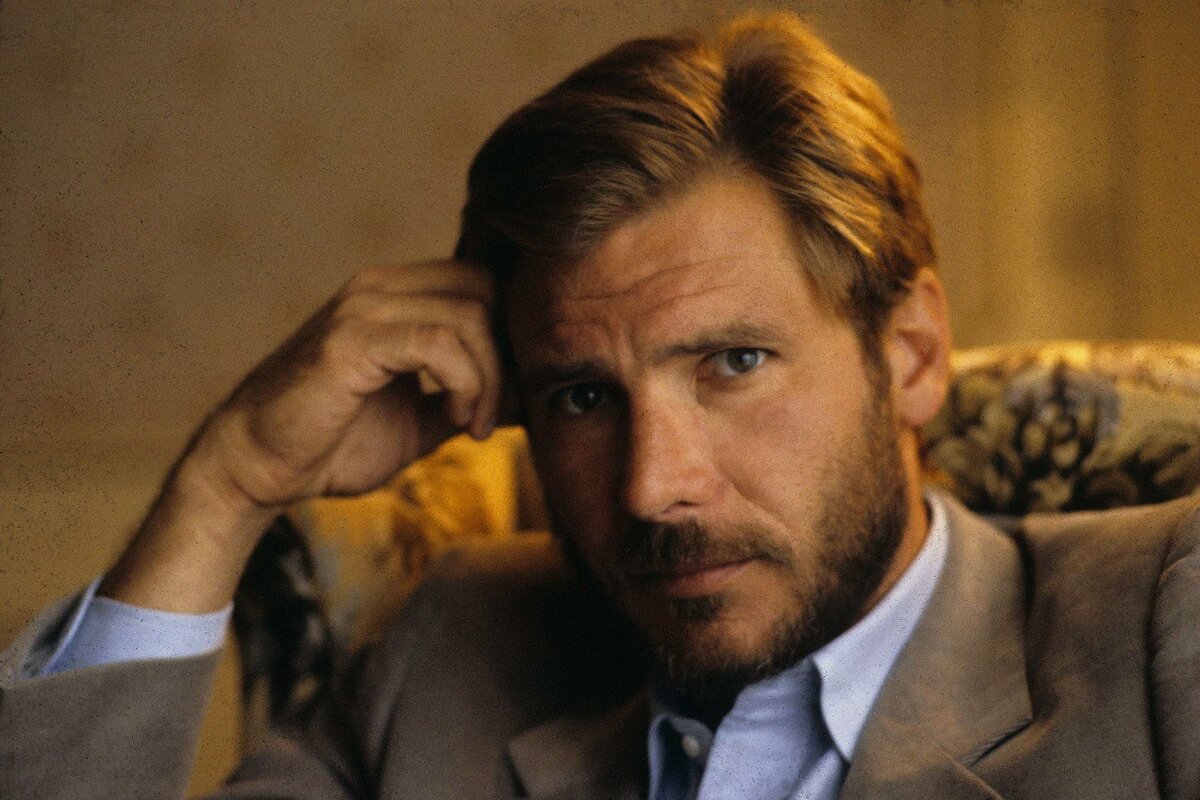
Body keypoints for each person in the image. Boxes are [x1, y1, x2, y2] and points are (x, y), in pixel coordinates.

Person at [2, 11, 1198, 800]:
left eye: (733, 361)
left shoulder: (1161, 625)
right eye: (582, 394)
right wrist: (228, 481)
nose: (652, 486)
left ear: (914, 351)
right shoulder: (452, 645)